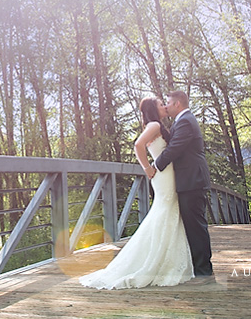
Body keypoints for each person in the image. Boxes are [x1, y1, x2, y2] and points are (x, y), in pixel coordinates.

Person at [79, 96, 194, 289]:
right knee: (165, 212)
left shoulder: (157, 125)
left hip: (167, 176)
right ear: (153, 109)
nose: (164, 106)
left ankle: (165, 258)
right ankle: (153, 260)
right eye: (160, 104)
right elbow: (138, 145)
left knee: (167, 212)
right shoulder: (154, 125)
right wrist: (147, 168)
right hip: (163, 176)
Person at [145, 90, 213, 281]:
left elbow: (174, 149)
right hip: (188, 180)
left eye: (167, 103)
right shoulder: (182, 121)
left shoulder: (185, 121)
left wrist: (155, 166)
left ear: (177, 105)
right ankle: (198, 268)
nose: (165, 106)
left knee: (196, 226)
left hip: (192, 180)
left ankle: (204, 272)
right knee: (191, 225)